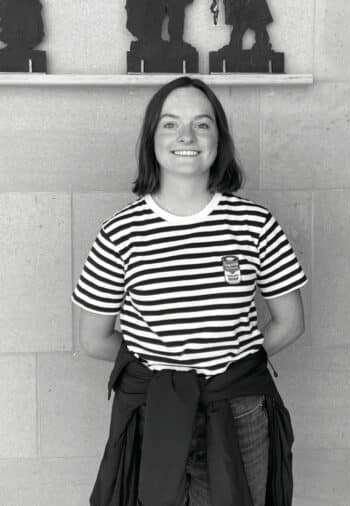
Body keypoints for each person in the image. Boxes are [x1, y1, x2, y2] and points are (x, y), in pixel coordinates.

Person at [73, 76, 306, 506]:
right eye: (170, 124)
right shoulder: (119, 233)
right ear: (152, 139)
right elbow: (93, 338)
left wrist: (230, 363)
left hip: (239, 412)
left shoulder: (256, 224)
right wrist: (169, 374)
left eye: (202, 124)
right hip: (154, 414)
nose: (186, 136)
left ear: (219, 139)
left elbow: (290, 323)